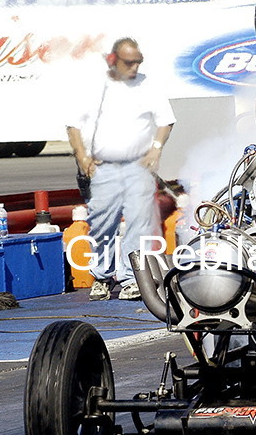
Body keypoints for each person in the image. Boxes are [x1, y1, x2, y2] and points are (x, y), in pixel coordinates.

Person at [67, 37, 175, 301]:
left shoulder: (147, 85)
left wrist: (156, 148)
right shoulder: (95, 87)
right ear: (114, 60)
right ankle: (102, 276)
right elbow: (73, 125)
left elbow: (166, 121)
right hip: (104, 167)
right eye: (129, 63)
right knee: (103, 223)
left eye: (138, 62)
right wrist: (82, 157)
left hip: (136, 166)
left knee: (138, 223)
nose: (135, 67)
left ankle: (130, 278)